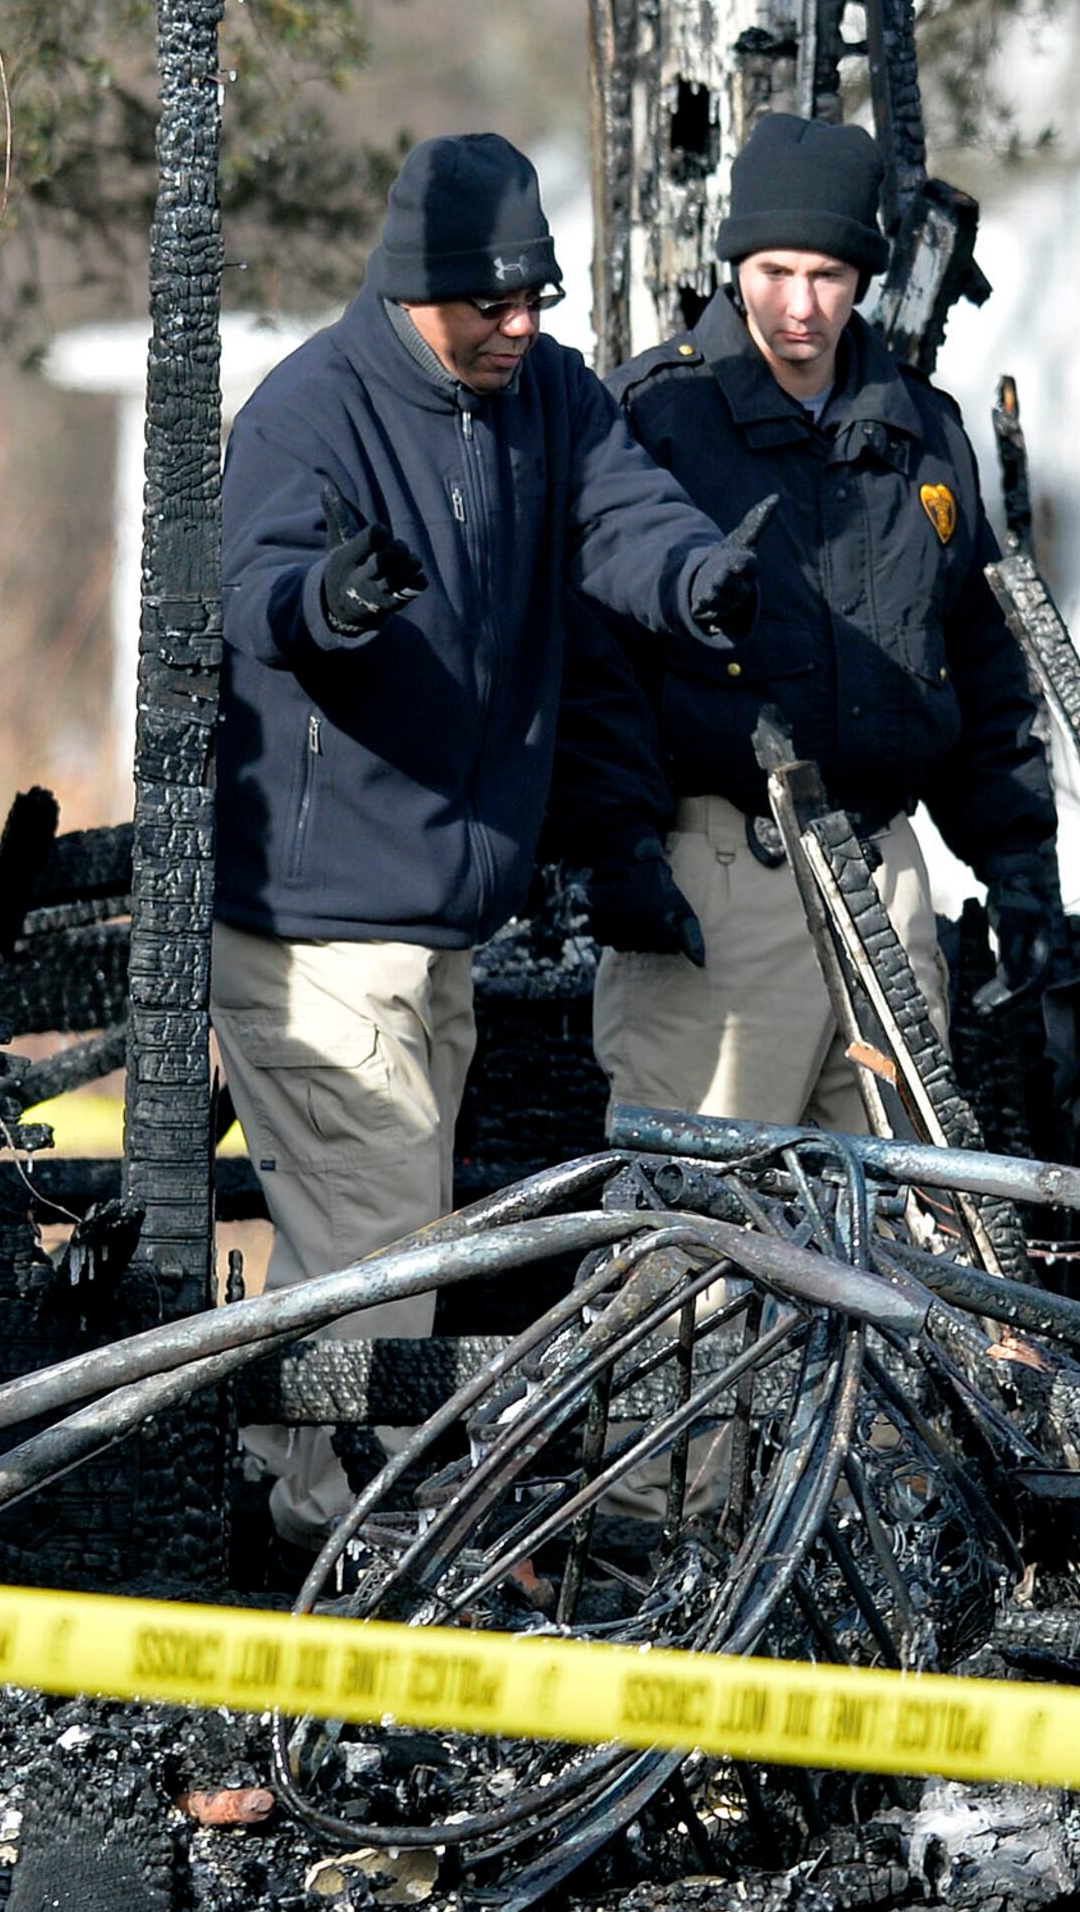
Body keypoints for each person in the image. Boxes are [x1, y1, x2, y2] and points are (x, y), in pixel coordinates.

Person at [216, 131, 767, 1540]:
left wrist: (695, 577)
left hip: (432, 926)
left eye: (539, 301)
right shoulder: (307, 414)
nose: (521, 328)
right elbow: (254, 585)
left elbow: (623, 515)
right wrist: (326, 604)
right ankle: (347, 1525)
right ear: (416, 288)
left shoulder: (553, 400)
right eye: (492, 305)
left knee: (371, 1242)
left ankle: (295, 1503)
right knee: (379, 1247)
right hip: (311, 932)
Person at [559, 112, 1077, 1130]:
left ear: (866, 277)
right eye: (774, 272)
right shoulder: (651, 418)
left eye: (829, 276)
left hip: (886, 868)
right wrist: (617, 849)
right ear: (734, 264)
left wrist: (1019, 864)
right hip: (719, 873)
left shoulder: (925, 431)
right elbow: (592, 664)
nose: (800, 305)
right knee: (701, 1240)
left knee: (904, 1238)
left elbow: (973, 654)